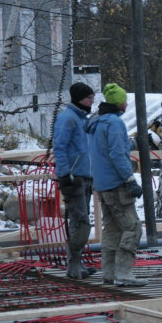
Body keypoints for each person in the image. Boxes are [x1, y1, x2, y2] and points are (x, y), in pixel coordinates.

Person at [87, 83, 146, 286]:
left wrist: (131, 144)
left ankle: (109, 273)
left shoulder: (97, 123)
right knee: (133, 228)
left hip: (102, 184)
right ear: (117, 103)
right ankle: (124, 274)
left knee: (112, 230)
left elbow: (107, 149)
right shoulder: (114, 123)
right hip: (116, 184)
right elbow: (117, 154)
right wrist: (130, 180)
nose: (126, 103)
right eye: (124, 100)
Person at [53, 82, 97, 279]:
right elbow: (60, 147)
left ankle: (77, 262)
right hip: (73, 178)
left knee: (79, 221)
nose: (92, 101)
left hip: (85, 177)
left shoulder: (82, 119)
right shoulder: (68, 119)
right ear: (79, 98)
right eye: (89, 98)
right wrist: (64, 174)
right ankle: (73, 265)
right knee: (80, 222)